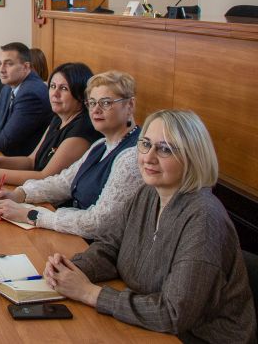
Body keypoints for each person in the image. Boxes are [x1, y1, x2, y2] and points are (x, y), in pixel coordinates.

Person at [45, 110, 257, 342]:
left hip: (196, 338)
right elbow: (111, 247)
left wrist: (89, 293)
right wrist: (70, 270)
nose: (148, 157)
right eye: (145, 144)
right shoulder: (147, 193)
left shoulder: (204, 217)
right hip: (149, 324)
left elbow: (173, 313)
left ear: (192, 156)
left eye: (165, 149)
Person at [0, 70, 142, 240]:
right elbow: (64, 182)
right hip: (72, 235)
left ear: (130, 105)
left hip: (95, 244)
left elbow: (99, 223)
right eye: (92, 103)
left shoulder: (132, 156)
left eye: (106, 103)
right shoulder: (101, 144)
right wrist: (19, 194)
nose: (96, 110)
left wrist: (32, 215)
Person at [0, 62, 101, 185]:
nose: (55, 94)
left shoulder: (81, 131)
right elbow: (31, 161)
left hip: (50, 199)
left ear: (81, 94)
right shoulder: (58, 118)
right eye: (53, 86)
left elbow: (46, 177)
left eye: (64, 88)